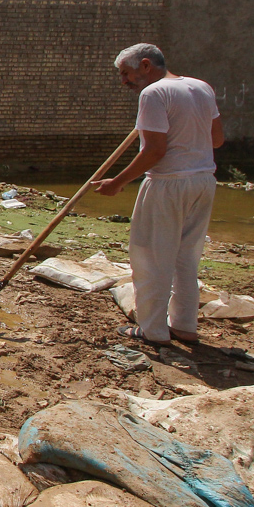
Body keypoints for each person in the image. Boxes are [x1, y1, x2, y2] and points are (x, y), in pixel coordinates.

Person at [94, 43, 224, 346]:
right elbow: (216, 139)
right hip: (204, 181)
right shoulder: (201, 87)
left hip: (168, 184)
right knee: (186, 258)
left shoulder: (153, 93)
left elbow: (155, 151)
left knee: (150, 256)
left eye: (126, 74)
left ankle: (152, 330)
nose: (123, 81)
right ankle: (184, 326)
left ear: (145, 65)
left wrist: (118, 182)